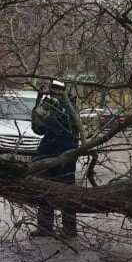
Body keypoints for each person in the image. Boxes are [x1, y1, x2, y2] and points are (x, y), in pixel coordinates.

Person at [31, 79, 83, 238]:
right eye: (54, 89)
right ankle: (45, 227)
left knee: (66, 190)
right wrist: (39, 102)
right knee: (45, 189)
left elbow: (75, 129)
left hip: (66, 152)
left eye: (59, 89)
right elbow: (38, 129)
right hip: (49, 151)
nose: (56, 93)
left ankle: (69, 228)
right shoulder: (47, 105)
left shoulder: (71, 107)